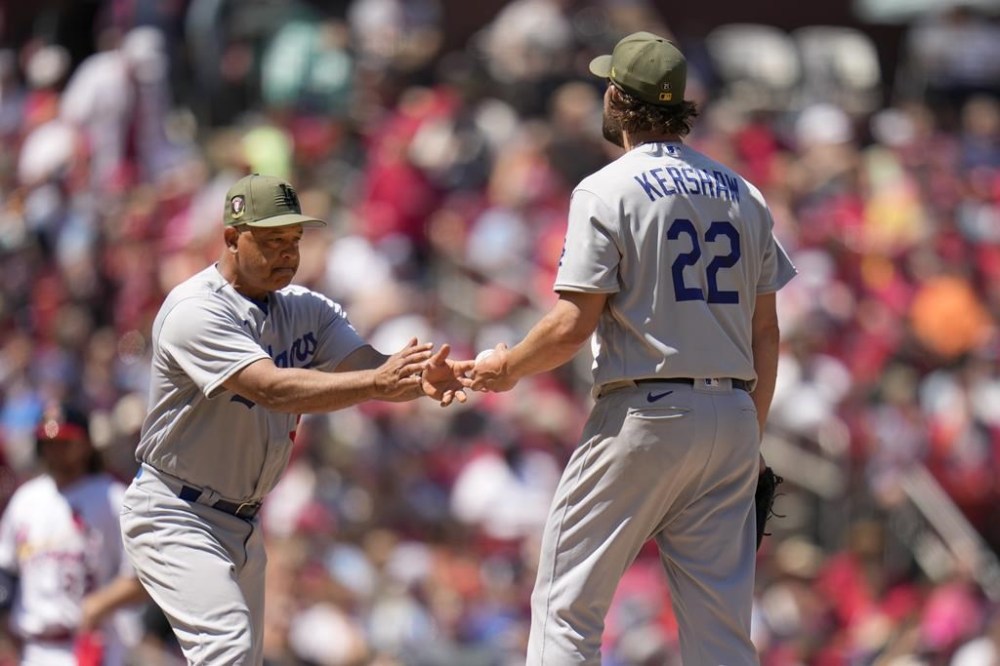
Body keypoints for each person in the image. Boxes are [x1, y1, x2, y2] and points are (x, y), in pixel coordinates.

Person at [466, 32, 797, 665]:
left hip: (646, 409)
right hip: (731, 412)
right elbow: (767, 332)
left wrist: (505, 367)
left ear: (618, 98)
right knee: (721, 631)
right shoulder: (743, 193)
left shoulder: (607, 187)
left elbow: (571, 324)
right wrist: (748, 435)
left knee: (567, 608)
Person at [119, 173, 467, 664]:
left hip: (242, 518)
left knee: (241, 656)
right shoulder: (195, 309)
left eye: (294, 239)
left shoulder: (307, 309)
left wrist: (426, 375)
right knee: (228, 649)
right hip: (176, 510)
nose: (287, 252)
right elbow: (272, 388)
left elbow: (368, 366)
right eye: (271, 240)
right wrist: (377, 383)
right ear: (231, 239)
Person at [0, 401, 147, 666]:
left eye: (65, 441)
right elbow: (5, 570)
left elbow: (144, 577)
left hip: (93, 645)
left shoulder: (113, 498)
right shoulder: (26, 499)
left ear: (86, 444)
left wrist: (101, 603)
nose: (56, 450)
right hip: (33, 649)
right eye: (49, 442)